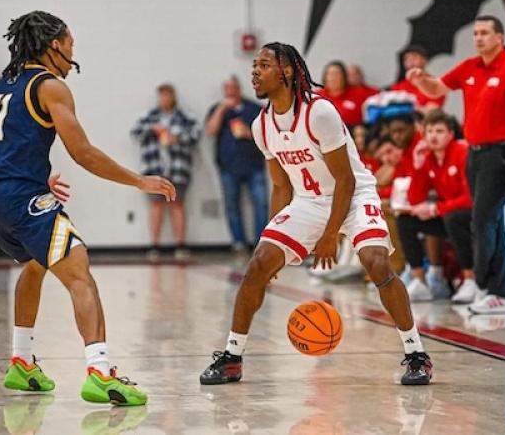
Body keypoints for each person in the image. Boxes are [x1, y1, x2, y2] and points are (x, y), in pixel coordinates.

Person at [199, 42, 433, 386]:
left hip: (353, 195)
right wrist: (272, 246)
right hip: (309, 201)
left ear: (287, 71)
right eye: (254, 65)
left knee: (376, 262)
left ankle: (416, 354)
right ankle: (232, 358)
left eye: (263, 65)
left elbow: (346, 180)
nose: (255, 72)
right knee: (257, 265)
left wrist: (330, 234)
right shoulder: (261, 125)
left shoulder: (319, 112)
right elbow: (280, 186)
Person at [0, 11, 175, 406]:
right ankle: (100, 373)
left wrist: (30, 176)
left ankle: (22, 361)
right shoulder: (50, 87)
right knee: (80, 272)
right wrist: (140, 180)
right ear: (55, 46)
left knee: (36, 265)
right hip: (20, 198)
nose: (72, 55)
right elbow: (83, 153)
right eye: (70, 45)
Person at [407, 15, 505, 314]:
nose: (478, 38)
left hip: (502, 152)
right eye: (476, 33)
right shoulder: (469, 67)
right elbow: (436, 89)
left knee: (483, 219)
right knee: (488, 220)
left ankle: (489, 288)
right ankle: (497, 293)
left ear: (500, 38)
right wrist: (421, 80)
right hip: (476, 153)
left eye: (484, 33)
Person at [397, 110, 478, 304]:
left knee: (453, 218)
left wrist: (435, 209)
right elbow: (415, 199)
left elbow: (470, 198)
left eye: (439, 131)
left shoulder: (462, 152)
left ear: (450, 134)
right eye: (429, 131)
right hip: (447, 214)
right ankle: (420, 281)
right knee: (405, 220)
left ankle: (470, 280)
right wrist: (418, 166)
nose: (433, 136)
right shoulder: (428, 157)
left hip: (470, 215)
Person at [130, 84, 200, 259]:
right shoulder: (150, 115)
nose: (164, 99)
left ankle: (180, 245)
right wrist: (151, 129)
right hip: (154, 168)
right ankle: (154, 246)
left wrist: (178, 137)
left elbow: (197, 133)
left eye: (167, 96)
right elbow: (135, 133)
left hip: (178, 168)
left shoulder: (184, 115)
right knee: (156, 205)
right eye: (161, 96)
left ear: (173, 97)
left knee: (178, 204)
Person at [204, 76, 267, 253]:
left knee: (261, 203)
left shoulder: (254, 109)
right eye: (227, 88)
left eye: (234, 87)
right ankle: (238, 242)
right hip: (228, 165)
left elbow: (268, 134)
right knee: (231, 204)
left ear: (239, 89)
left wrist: (249, 133)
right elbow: (210, 131)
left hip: (254, 164)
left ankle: (262, 242)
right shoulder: (217, 109)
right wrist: (221, 109)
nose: (231, 91)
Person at [316, 61, 378, 127]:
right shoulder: (317, 96)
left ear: (344, 77)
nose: (333, 78)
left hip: (355, 130)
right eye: (330, 74)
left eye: (337, 74)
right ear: (325, 78)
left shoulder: (358, 92)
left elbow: (382, 97)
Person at [390, 45, 445, 115]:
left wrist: (411, 108)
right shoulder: (398, 86)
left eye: (414, 56)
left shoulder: (434, 84)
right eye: (406, 58)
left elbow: (434, 109)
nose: (410, 60)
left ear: (424, 60)